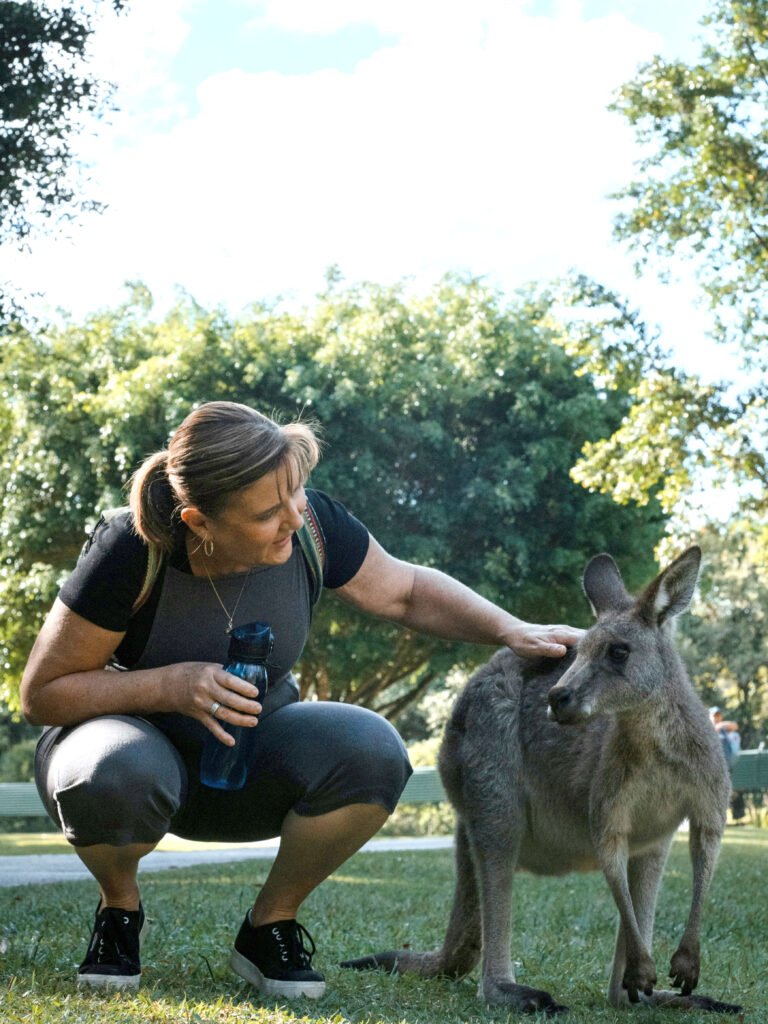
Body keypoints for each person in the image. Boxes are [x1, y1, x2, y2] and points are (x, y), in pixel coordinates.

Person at [22, 401, 583, 1000]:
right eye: (268, 513)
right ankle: (119, 912)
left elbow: (406, 591)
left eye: (296, 495)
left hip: (248, 755)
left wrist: (510, 629)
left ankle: (269, 926)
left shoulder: (310, 525)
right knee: (117, 768)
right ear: (199, 521)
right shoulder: (132, 548)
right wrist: (169, 685)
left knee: (372, 750)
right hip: (128, 760)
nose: (293, 517)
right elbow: (43, 694)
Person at [709, 705, 745, 821]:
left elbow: (735, 725)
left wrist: (722, 725)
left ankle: (737, 816)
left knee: (732, 792)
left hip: (729, 767)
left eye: (719, 715)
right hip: (713, 768)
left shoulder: (724, 728)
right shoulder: (707, 727)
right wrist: (717, 727)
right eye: (715, 716)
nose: (717, 718)